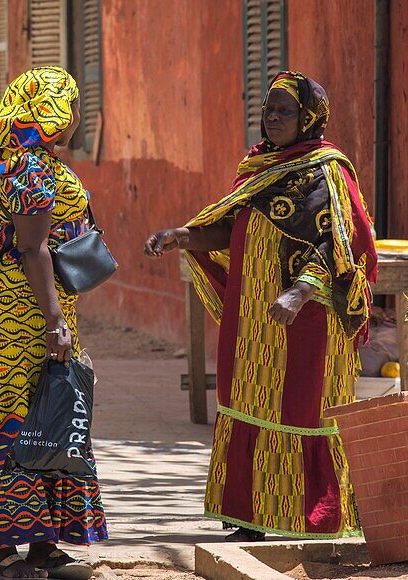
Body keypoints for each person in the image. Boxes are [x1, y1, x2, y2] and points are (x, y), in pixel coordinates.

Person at [144, 71, 377, 542]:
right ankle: (247, 514)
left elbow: (342, 243)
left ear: (308, 117)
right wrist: (181, 237)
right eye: (268, 110)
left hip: (306, 317)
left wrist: (300, 290)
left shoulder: (327, 171)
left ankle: (316, 516)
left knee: (302, 408)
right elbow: (230, 229)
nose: (273, 118)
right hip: (252, 315)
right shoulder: (260, 169)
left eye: (285, 111)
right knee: (245, 401)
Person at [0, 66, 108, 580]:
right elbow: (32, 247)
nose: (73, 117)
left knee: (48, 408)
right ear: (53, 112)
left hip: (38, 300)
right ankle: (2, 547)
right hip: (23, 305)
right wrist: (52, 320)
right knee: (21, 411)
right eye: (68, 105)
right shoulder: (30, 166)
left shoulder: (30, 159)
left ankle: (43, 543)